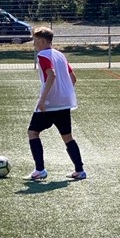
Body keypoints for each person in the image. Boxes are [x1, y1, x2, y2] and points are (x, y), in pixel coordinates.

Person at [27, 27, 86, 180]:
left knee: (33, 132)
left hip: (49, 103)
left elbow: (51, 75)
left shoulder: (42, 55)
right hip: (65, 102)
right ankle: (80, 170)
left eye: (35, 41)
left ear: (42, 41)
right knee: (67, 136)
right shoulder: (60, 55)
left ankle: (40, 169)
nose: (34, 44)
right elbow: (73, 78)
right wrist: (63, 93)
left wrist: (42, 99)